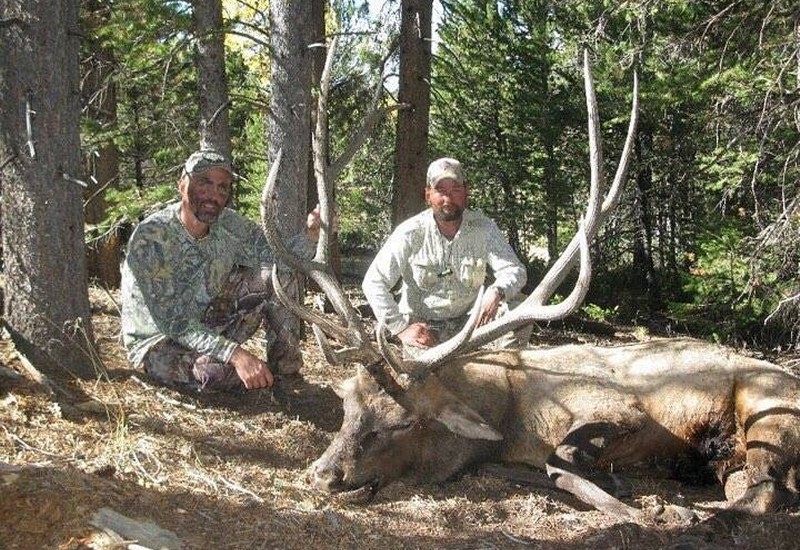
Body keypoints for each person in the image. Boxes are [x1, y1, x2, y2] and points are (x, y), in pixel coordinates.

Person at [120, 148, 320, 392]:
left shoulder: (230, 224)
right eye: (204, 183)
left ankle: (287, 375)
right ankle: (262, 379)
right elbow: (174, 323)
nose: (213, 195)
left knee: (279, 276)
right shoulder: (152, 237)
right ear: (182, 185)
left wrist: (311, 234)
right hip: (160, 342)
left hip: (207, 323)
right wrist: (236, 354)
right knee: (212, 374)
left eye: (222, 187)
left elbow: (281, 260)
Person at [362, 157, 528, 355]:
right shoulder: (410, 232)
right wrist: (401, 328)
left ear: (467, 193)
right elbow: (373, 282)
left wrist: (497, 291)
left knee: (518, 311)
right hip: (426, 330)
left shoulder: (484, 228)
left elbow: (514, 270)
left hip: (472, 324)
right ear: (428, 195)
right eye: (440, 191)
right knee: (430, 381)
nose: (447, 198)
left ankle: (507, 377)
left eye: (455, 189)